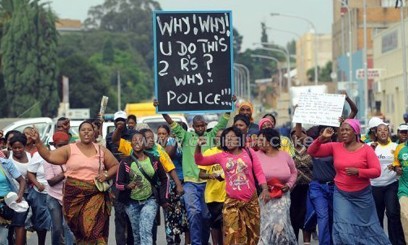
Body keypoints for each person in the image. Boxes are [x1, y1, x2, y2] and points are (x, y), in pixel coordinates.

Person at [29, 120, 119, 244]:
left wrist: (105, 175)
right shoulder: (70, 149)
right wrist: (38, 142)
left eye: (89, 130)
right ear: (79, 133)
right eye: (83, 130)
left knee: (93, 230)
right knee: (80, 231)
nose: (86, 132)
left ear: (94, 133)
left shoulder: (101, 150)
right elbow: (49, 156)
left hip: (95, 195)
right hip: (74, 197)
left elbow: (115, 165)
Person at [307, 119, 391, 244]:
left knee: (368, 229)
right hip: (342, 194)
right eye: (342, 130)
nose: (344, 133)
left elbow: (376, 171)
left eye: (347, 130)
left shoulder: (366, 149)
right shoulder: (335, 147)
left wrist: (359, 172)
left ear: (356, 132)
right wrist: (321, 138)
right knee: (342, 227)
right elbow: (311, 151)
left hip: (363, 196)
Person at [161, 110, 231, 245]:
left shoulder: (211, 136)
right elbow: (172, 123)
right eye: (197, 126)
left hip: (208, 184)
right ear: (193, 126)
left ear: (205, 125)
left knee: (205, 217)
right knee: (194, 213)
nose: (200, 128)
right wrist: (162, 110)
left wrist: (229, 107)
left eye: (202, 126)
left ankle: (203, 242)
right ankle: (196, 243)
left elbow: (223, 121)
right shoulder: (186, 136)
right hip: (190, 184)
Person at [194, 126, 270, 245]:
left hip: (251, 202)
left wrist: (265, 189)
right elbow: (200, 161)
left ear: (239, 139)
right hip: (231, 203)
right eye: (226, 138)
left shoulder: (249, 152)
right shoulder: (221, 156)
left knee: (253, 238)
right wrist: (198, 146)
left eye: (231, 138)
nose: (228, 140)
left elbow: (259, 172)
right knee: (232, 236)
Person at [116, 131, 169, 245]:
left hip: (150, 200)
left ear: (144, 143)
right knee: (137, 234)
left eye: (140, 139)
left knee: (145, 230)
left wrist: (163, 198)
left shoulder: (154, 160)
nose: (137, 142)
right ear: (131, 144)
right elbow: (118, 184)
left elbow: (164, 179)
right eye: (134, 140)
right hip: (131, 203)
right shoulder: (125, 163)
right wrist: (127, 186)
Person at [256, 128, 297, 245]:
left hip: (282, 196)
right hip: (266, 195)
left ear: (269, 141)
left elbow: (294, 172)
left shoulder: (285, 155)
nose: (258, 142)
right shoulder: (255, 156)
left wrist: (289, 185)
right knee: (266, 225)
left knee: (281, 224)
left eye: (260, 139)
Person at [369, 122, 405, 245]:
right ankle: (379, 242)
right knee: (377, 216)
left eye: (385, 130)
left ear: (389, 132)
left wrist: (397, 169)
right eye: (380, 130)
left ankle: (396, 242)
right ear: (376, 133)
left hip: (391, 184)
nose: (383, 132)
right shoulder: (370, 147)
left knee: (393, 213)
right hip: (374, 185)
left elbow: (401, 164)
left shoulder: (396, 147)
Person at [106, 111, 136, 245]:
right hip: (117, 179)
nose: (119, 123)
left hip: (133, 178)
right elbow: (107, 160)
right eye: (117, 120)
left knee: (132, 215)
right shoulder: (109, 137)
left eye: (122, 120)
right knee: (119, 214)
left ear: (126, 121)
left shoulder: (134, 135)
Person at [157, 125, 189, 245]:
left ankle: (187, 241)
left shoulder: (174, 143)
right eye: (159, 134)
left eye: (163, 134)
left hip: (180, 182)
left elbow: (169, 154)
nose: (161, 136)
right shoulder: (156, 146)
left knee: (184, 214)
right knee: (169, 213)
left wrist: (174, 141)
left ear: (169, 134)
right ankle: (171, 240)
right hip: (166, 185)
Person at [43, 131, 74, 245]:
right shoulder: (49, 158)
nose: (63, 148)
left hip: (70, 196)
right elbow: (51, 181)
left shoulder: (73, 157)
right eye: (60, 145)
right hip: (54, 196)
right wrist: (66, 173)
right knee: (57, 228)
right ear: (55, 145)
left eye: (65, 145)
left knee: (68, 226)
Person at [198, 129, 225, 245]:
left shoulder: (231, 153)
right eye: (217, 137)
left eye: (222, 137)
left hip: (228, 195)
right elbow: (201, 174)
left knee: (226, 223)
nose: (219, 139)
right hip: (213, 195)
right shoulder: (209, 153)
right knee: (215, 224)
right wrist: (211, 175)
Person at [289, 126, 314, 243]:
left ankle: (306, 242)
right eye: (294, 134)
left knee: (306, 217)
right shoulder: (288, 150)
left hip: (308, 188)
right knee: (293, 217)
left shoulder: (311, 149)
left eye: (301, 133)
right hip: (293, 189)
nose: (297, 136)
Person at [27, 147, 52, 245]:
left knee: (58, 224)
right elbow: (30, 172)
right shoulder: (38, 155)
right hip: (40, 193)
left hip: (57, 193)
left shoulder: (61, 154)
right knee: (40, 222)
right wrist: (37, 184)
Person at [0, 157, 27, 245]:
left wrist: (19, 195)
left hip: (7, 204)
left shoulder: (5, 163)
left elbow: (22, 180)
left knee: (3, 240)